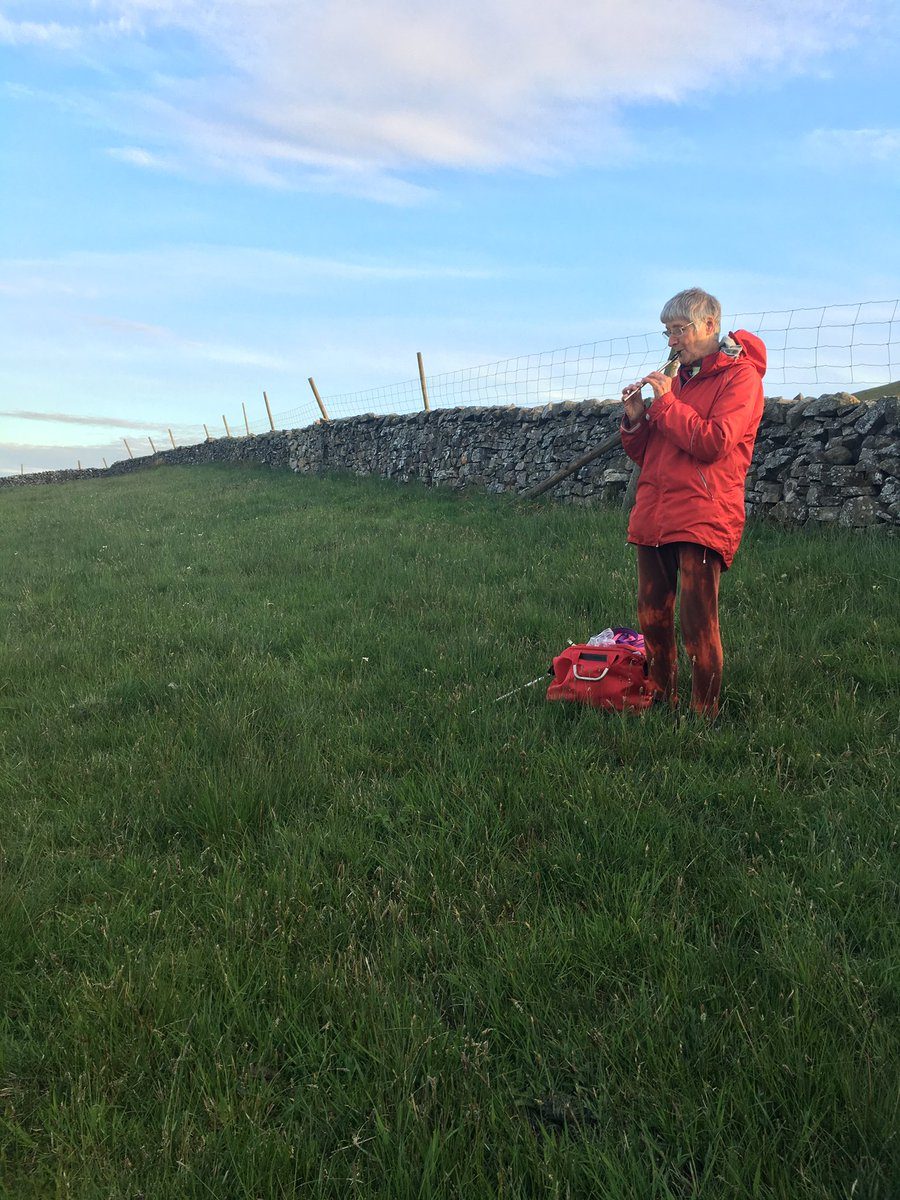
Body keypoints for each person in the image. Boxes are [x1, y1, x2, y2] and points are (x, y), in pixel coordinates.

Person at [620, 288, 766, 717]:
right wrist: (635, 420)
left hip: (704, 512)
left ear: (709, 325)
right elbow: (648, 453)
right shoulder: (678, 379)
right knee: (652, 616)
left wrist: (664, 404)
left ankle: (705, 714)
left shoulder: (741, 379)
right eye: (666, 332)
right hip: (655, 510)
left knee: (696, 622)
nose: (671, 341)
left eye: (678, 330)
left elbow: (714, 442)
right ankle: (662, 698)